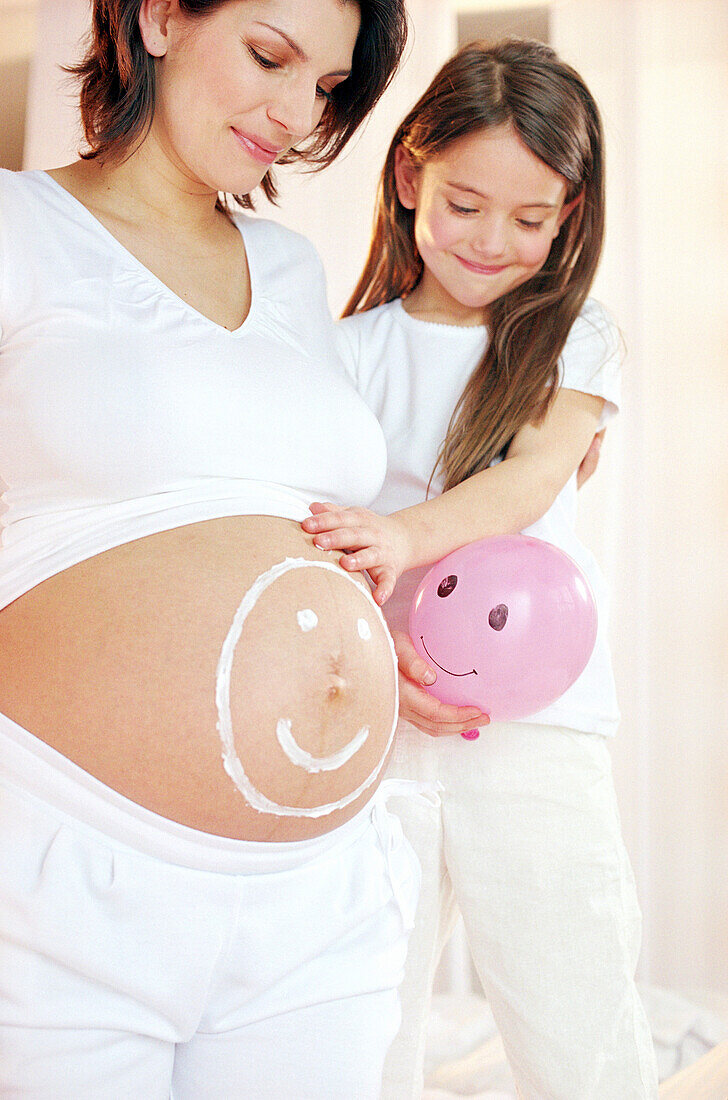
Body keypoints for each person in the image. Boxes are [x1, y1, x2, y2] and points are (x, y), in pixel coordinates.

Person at [0, 1, 420, 1096]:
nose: (293, 114)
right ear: (159, 16)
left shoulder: (287, 269)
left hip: (315, 898)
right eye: (270, 57)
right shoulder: (17, 227)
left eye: (325, 87)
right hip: (63, 869)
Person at [302, 38, 660, 1099]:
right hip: (378, 727)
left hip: (532, 735)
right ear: (410, 175)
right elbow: (308, 536)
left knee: (575, 1010)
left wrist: (405, 537)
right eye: (464, 203)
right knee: (366, 1015)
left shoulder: (571, 341)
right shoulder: (342, 350)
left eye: (530, 218)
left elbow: (521, 483)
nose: (491, 240)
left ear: (570, 217)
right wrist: (372, 645)